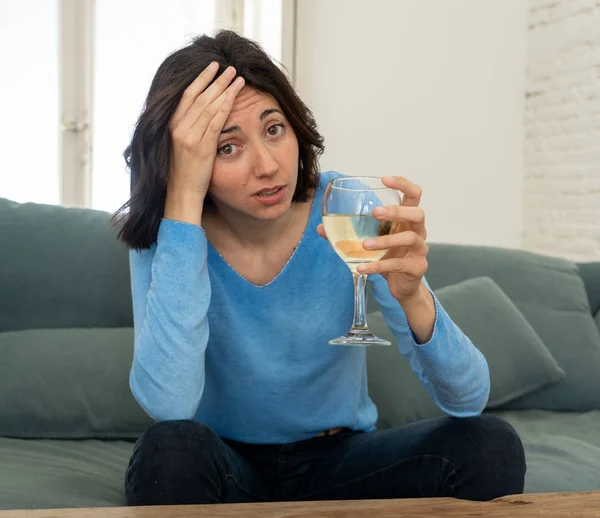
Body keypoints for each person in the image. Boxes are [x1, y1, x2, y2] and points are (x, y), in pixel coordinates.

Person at [114, 30, 525, 506]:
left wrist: (413, 296)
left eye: (274, 130)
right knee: (170, 451)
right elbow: (170, 404)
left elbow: (467, 399)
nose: (267, 166)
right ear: (187, 159)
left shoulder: (345, 207)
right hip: (224, 467)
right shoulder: (166, 235)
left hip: (340, 460)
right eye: (227, 147)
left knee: (490, 445)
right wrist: (182, 201)